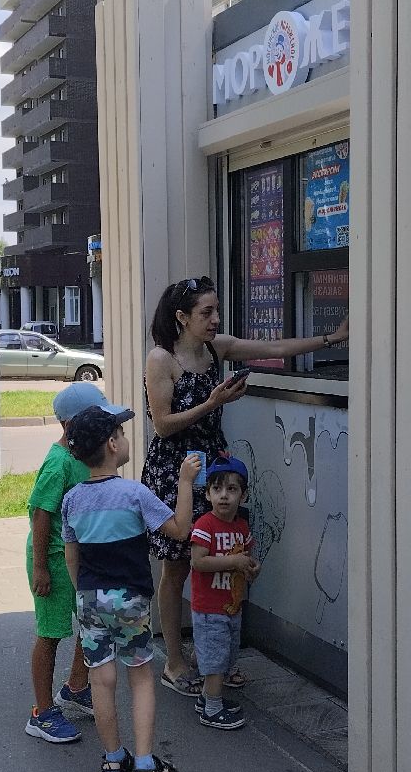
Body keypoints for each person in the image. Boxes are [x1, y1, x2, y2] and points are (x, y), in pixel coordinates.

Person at [141, 275, 347, 696]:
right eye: (206, 313)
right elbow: (162, 426)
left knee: (221, 557)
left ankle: (214, 658)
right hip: (176, 473)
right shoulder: (161, 359)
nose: (216, 319)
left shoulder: (216, 349)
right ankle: (174, 662)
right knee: (177, 567)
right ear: (182, 317)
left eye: (217, 310)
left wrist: (331, 339)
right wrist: (212, 403)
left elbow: (275, 349)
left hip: (214, 472)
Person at [61, 403, 199, 772]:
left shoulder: (72, 500)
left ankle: (111, 760)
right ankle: (144, 766)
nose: (124, 439)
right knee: (140, 679)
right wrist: (185, 481)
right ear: (112, 444)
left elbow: (72, 556)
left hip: (90, 600)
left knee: (101, 681)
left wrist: (85, 594)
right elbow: (180, 530)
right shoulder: (134, 493)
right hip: (131, 601)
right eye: (120, 434)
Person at [22, 383, 111, 745]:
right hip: (54, 562)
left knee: (89, 622)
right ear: (72, 424)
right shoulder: (58, 463)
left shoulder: (82, 456)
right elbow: (40, 514)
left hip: (76, 560)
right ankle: (42, 713)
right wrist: (41, 568)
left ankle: (76, 687)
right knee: (51, 633)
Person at [189, 455, 260, 730]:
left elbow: (246, 557)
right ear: (207, 494)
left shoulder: (241, 527)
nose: (224, 495)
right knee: (215, 660)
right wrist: (233, 562)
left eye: (232, 489)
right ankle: (212, 709)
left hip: (231, 605)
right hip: (209, 609)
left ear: (243, 495)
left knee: (227, 655)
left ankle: (207, 698)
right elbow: (198, 562)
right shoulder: (205, 525)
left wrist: (252, 567)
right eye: (217, 489)